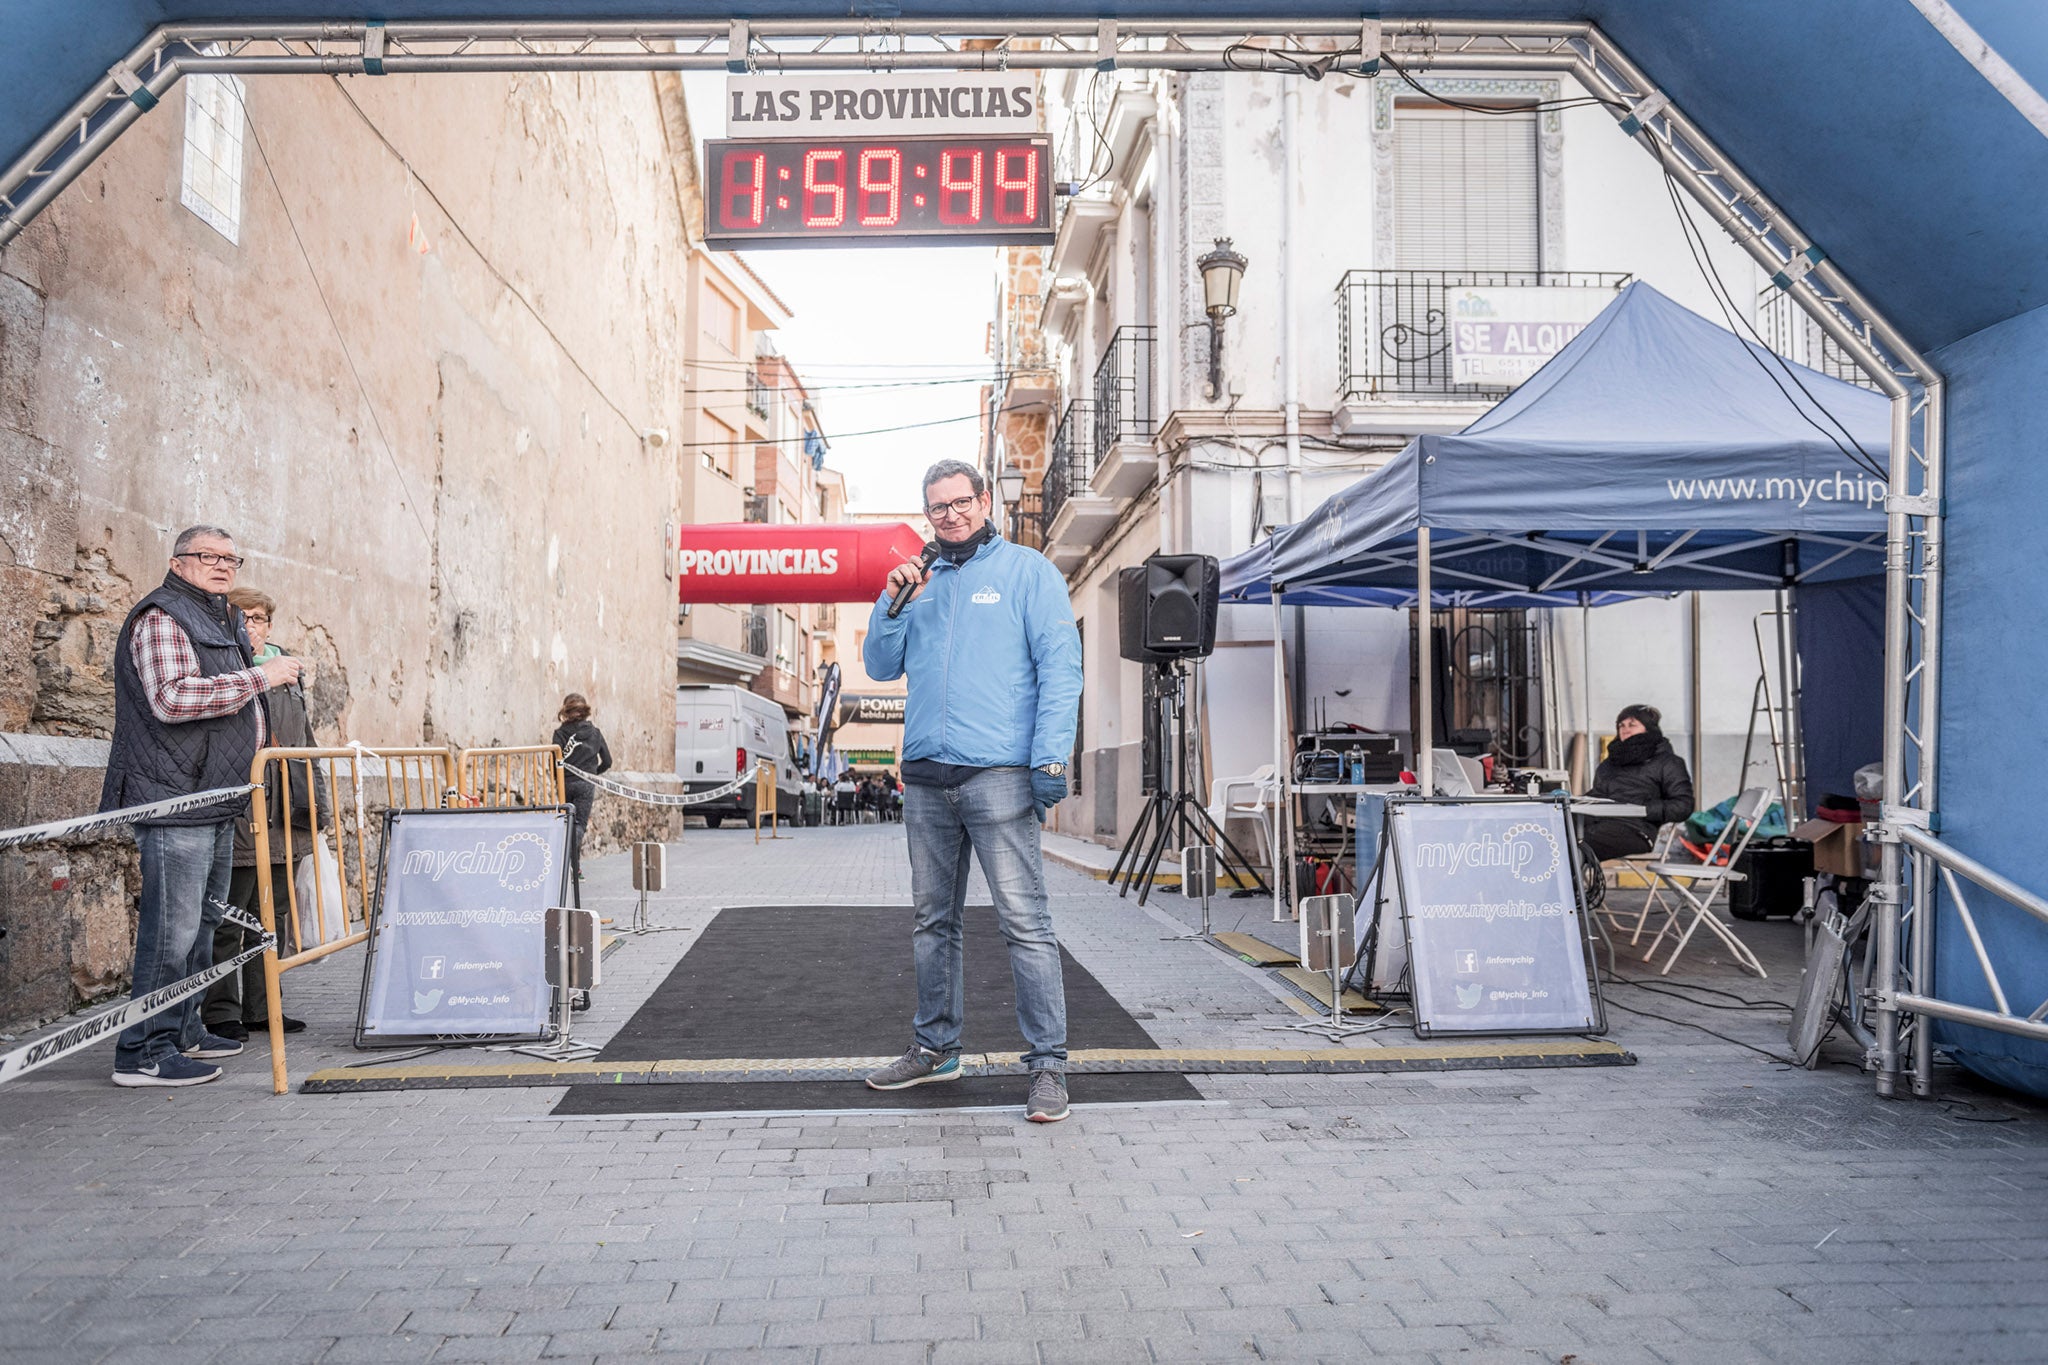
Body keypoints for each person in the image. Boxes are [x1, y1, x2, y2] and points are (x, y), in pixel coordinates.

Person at [861, 459, 1083, 1123]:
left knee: (1025, 922)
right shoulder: (916, 584)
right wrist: (892, 600)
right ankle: (936, 1046)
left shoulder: (1028, 572)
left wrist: (1049, 759)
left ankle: (1048, 1065)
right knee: (933, 923)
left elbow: (1060, 668)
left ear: (984, 500)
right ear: (927, 514)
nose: (951, 514)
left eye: (961, 501)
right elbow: (879, 663)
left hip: (1000, 775)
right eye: (938, 507)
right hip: (927, 776)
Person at [103, 525, 300, 1087]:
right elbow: (172, 698)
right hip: (173, 797)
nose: (220, 566)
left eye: (229, 558)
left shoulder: (222, 617)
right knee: (171, 932)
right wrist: (259, 676)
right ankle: (142, 1052)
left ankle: (186, 1029)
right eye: (206, 556)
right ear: (177, 562)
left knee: (202, 925)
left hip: (215, 795)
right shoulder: (163, 616)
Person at [204, 587, 317, 1042]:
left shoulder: (285, 667)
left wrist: (315, 809)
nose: (253, 627)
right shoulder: (226, 669)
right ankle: (221, 1012)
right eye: (244, 619)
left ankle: (263, 1005)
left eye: (260, 619)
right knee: (232, 916)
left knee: (274, 916)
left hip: (283, 810)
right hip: (241, 810)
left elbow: (305, 742)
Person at [1581, 702, 1695, 871]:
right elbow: (1597, 795)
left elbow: (1683, 806)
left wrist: (1643, 808)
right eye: (1621, 725)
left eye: (1632, 725)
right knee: (1554, 834)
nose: (1625, 729)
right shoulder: (1610, 763)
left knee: (1578, 843)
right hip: (1599, 822)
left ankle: (1570, 893)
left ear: (1648, 728)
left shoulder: (1668, 762)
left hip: (1636, 830)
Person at [553, 693, 612, 902]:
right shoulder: (595, 733)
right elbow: (608, 760)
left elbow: (555, 760)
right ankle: (574, 867)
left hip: (565, 783)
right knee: (578, 825)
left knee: (564, 824)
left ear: (566, 712)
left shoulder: (559, 734)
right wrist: (592, 773)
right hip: (586, 784)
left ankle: (569, 865)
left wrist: (558, 779)